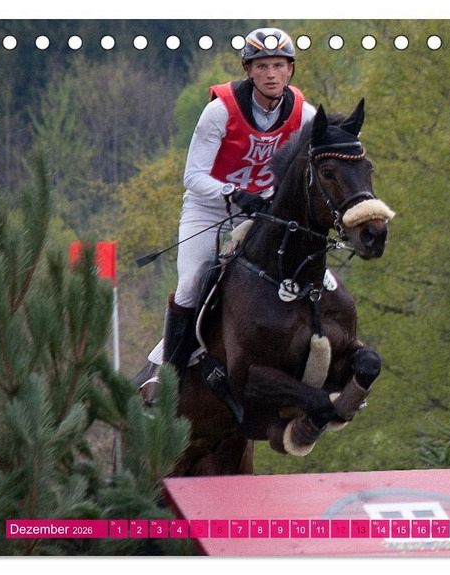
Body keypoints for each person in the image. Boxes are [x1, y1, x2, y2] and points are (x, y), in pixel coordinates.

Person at [137, 27, 317, 401]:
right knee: (192, 282)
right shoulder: (220, 111)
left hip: (262, 213)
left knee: (313, 274)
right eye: (262, 66)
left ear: (290, 69)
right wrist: (233, 193)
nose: (271, 74)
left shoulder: (305, 115)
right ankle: (168, 374)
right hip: (209, 209)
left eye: (279, 65)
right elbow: (193, 176)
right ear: (248, 70)